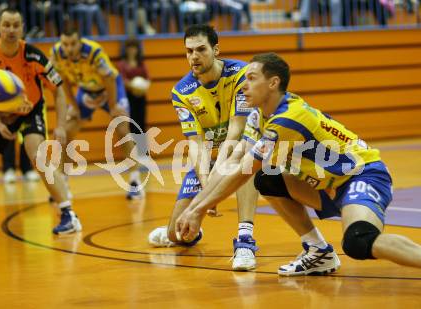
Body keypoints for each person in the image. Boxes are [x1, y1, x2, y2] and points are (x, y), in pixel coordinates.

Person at [175, 52, 421, 275]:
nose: (244, 85)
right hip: (327, 186)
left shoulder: (289, 118)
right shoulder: (259, 115)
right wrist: (193, 208)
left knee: (359, 241)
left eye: (251, 78)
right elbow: (235, 160)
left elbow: (244, 170)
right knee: (268, 180)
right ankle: (319, 251)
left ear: (273, 83)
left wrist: (196, 211)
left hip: (363, 176)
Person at [148, 25, 338, 272]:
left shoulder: (241, 75)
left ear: (216, 50)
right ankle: (187, 230)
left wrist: (210, 192)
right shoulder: (181, 92)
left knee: (245, 162)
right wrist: (207, 183)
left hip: (242, 147)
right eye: (189, 51)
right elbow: (196, 144)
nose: (194, 56)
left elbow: (236, 131)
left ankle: (245, 241)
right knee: (177, 235)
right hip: (210, 159)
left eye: (201, 49)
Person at [0, 8, 82, 235]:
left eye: (16, 25)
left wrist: (62, 126)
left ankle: (69, 215)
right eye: (6, 25)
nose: (11, 30)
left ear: (22, 28)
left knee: (37, 156)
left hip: (30, 111)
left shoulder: (33, 55)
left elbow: (59, 91)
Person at [50, 27, 144, 199]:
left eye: (73, 44)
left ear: (80, 42)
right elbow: (63, 83)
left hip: (109, 88)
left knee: (122, 128)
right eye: (65, 44)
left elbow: (109, 78)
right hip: (85, 90)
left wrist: (114, 105)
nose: (69, 48)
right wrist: (75, 107)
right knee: (67, 130)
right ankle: (63, 183)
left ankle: (135, 180)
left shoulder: (93, 51)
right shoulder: (56, 54)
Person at [116, 39, 150, 157]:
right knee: (129, 126)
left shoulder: (141, 64)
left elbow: (147, 79)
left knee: (141, 125)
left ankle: (143, 154)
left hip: (140, 98)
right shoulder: (121, 65)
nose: (132, 50)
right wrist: (134, 86)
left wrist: (143, 87)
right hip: (127, 98)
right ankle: (132, 156)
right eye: (129, 48)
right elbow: (122, 80)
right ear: (126, 50)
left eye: (134, 47)